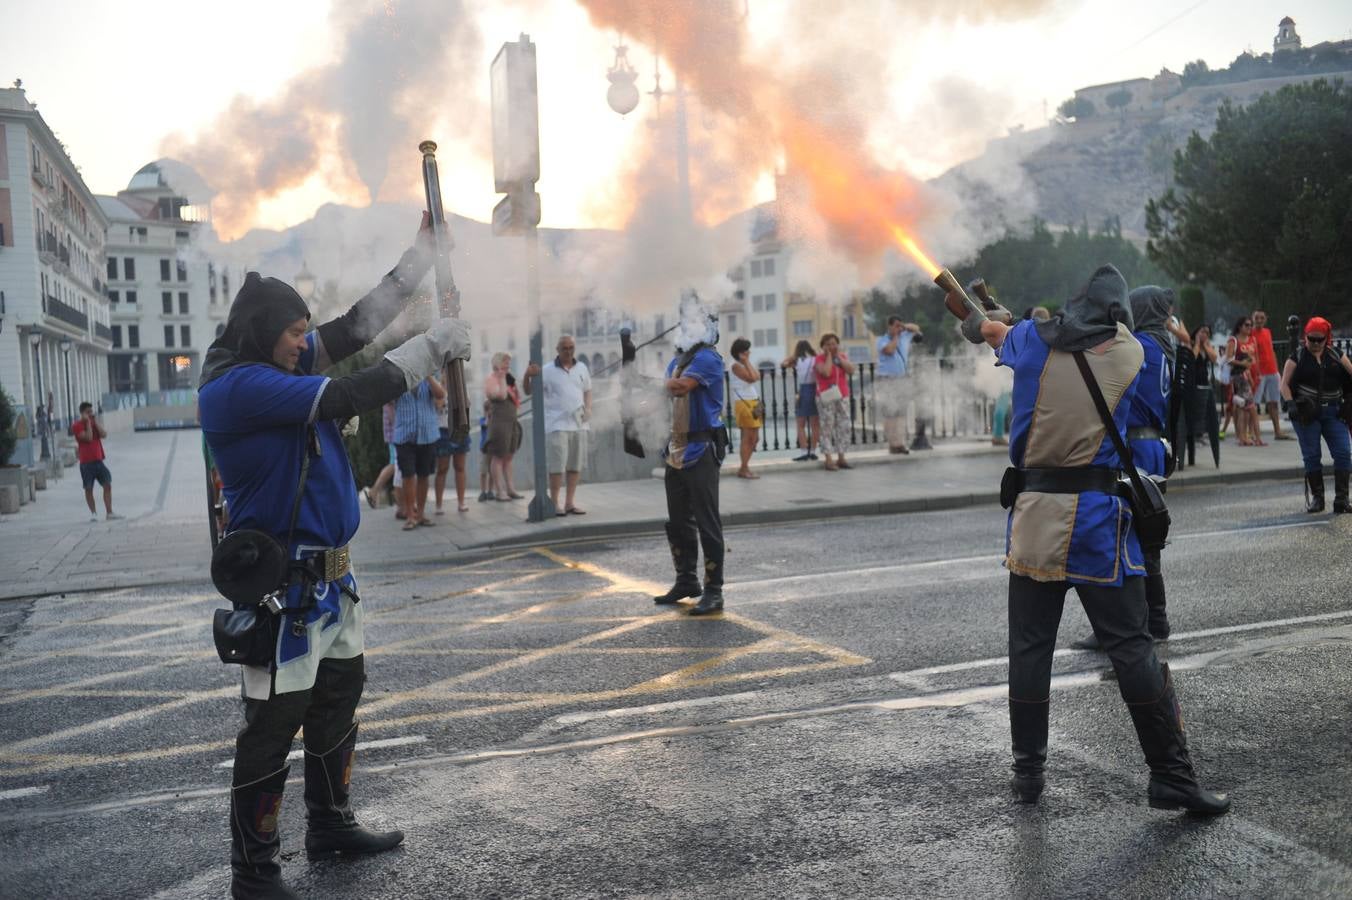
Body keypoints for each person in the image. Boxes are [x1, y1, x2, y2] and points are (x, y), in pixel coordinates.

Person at [198, 213, 473, 899]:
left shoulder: (270, 361)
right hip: (283, 592)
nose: (305, 343)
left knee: (337, 702)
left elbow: (354, 328)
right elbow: (351, 389)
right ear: (266, 335)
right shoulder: (238, 386)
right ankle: (253, 874)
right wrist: (430, 350)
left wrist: (418, 259)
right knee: (270, 730)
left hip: (331, 582)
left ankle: (330, 825)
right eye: (294, 334)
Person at [955, 263, 1229, 815]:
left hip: (1033, 517)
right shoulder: (1129, 352)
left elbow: (982, 329)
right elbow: (1087, 335)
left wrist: (991, 319)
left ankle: (1027, 778)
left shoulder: (1032, 340)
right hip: (1098, 520)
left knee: (1029, 651)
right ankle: (1171, 776)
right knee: (1132, 646)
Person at [1071, 287, 1188, 651]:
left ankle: (1140, 624)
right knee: (1139, 538)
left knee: (1128, 537)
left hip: (1135, 447)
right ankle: (1151, 621)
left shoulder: (1143, 346)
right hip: (1146, 445)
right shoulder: (1159, 343)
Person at [653, 302, 727, 616]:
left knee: (707, 522)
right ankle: (686, 580)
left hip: (701, 448)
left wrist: (651, 384)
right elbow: (665, 393)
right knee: (678, 520)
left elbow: (681, 388)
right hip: (677, 448)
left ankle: (714, 590)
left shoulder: (709, 357)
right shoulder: (677, 360)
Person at [1279, 316, 1352, 513]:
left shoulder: (1336, 354)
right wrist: (1290, 403)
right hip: (1307, 413)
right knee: (1312, 455)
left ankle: (1342, 500)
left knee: (1344, 453)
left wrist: (1349, 401)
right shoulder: (1298, 355)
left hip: (1334, 412)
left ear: (1327, 337)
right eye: (1312, 339)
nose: (1316, 343)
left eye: (1320, 339)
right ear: (1306, 336)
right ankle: (1317, 499)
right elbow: (1284, 383)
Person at [523, 335, 592, 515]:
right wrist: (527, 375)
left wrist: (589, 408)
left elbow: (588, 391)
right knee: (557, 466)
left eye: (571, 348)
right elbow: (529, 391)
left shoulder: (582, 367)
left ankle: (569, 502)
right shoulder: (546, 370)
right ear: (558, 350)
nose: (568, 351)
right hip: (557, 424)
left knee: (574, 466)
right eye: (564, 348)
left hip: (579, 424)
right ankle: (554, 503)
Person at [393, 376, 446, 530]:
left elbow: (440, 394)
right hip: (404, 435)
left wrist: (428, 375)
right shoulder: (399, 377)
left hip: (427, 434)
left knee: (424, 475)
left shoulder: (429, 375)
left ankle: (421, 515)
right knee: (408, 475)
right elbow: (388, 398)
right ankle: (410, 516)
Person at [874, 315, 923, 454]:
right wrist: (895, 336)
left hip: (901, 379)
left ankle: (900, 443)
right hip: (886, 380)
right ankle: (892, 444)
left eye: (899, 326)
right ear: (889, 327)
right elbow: (889, 350)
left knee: (901, 413)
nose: (898, 328)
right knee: (890, 414)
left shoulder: (905, 335)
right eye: (895, 326)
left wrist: (903, 326)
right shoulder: (881, 340)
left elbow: (916, 328)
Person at [483, 351, 524, 502]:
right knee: (498, 456)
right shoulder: (491, 379)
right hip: (499, 423)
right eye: (505, 362)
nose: (508, 365)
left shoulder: (509, 379)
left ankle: (511, 489)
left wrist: (507, 379)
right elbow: (501, 396)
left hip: (511, 421)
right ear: (497, 364)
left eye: (508, 362)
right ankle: (500, 491)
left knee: (509, 456)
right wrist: (501, 378)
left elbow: (517, 397)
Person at [71, 401, 120, 522]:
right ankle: (93, 513)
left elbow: (104, 434)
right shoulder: (77, 425)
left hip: (98, 460)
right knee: (89, 488)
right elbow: (88, 438)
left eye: (91, 411)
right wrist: (87, 423)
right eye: (88, 412)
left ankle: (109, 512)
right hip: (86, 463)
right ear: (82, 413)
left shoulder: (94, 424)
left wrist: (95, 423)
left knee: (107, 484)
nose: (91, 414)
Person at [814, 333, 856, 471]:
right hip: (826, 396)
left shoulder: (842, 357)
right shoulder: (819, 359)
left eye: (833, 343)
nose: (831, 346)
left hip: (842, 395)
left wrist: (838, 357)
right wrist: (829, 357)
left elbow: (851, 370)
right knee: (827, 427)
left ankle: (841, 457)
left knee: (844, 425)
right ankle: (828, 459)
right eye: (828, 344)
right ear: (823, 346)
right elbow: (825, 372)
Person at [1251, 310, 1293, 441]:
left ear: (1265, 319)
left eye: (1261, 318)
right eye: (1257, 318)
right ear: (1253, 319)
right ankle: (1252, 433)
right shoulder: (1250, 333)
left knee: (1273, 402)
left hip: (1272, 372)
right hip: (1259, 373)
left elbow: (1271, 350)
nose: (1259, 320)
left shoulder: (1267, 332)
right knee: (1253, 404)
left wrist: (1276, 370)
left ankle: (1277, 432)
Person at [433, 377, 471, 514]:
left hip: (459, 429)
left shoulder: (460, 388)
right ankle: (438, 505)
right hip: (443, 431)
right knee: (442, 469)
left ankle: (461, 502)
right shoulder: (438, 388)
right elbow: (439, 404)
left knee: (460, 467)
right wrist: (443, 387)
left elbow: (467, 404)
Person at [729, 337, 763, 479]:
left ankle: (745, 467)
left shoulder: (744, 364)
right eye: (746, 350)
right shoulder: (735, 365)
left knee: (755, 438)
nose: (748, 352)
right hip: (744, 403)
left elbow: (757, 376)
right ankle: (743, 468)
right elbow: (751, 379)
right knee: (748, 438)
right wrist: (746, 362)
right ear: (740, 352)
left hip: (754, 402)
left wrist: (747, 362)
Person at [1226, 316, 1262, 446]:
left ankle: (1244, 437)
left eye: (1250, 325)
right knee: (1249, 408)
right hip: (1239, 376)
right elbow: (1228, 359)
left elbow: (1255, 358)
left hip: (1250, 376)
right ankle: (1252, 437)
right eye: (1247, 325)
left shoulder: (1252, 339)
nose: (1249, 327)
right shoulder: (1233, 340)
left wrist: (1257, 373)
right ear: (1240, 326)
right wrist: (1242, 363)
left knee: (1244, 409)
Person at [781, 340, 818, 461]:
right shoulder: (815, 359)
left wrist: (793, 355)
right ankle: (813, 451)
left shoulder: (797, 361)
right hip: (815, 390)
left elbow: (783, 364)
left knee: (800, 424)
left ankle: (803, 452)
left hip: (803, 391)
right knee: (814, 425)